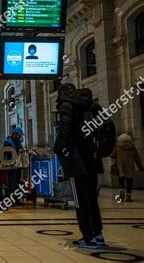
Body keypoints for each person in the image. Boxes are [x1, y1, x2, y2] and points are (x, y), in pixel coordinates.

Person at [53, 83, 105, 249]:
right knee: (92, 199)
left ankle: (88, 238)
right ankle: (98, 235)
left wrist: (58, 148)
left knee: (80, 201)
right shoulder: (91, 104)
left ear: (62, 94)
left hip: (77, 161)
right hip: (92, 159)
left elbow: (65, 130)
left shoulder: (67, 105)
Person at [110, 133, 143, 202]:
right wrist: (140, 167)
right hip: (130, 167)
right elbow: (137, 158)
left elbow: (112, 155)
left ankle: (122, 193)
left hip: (120, 167)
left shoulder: (117, 146)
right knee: (129, 182)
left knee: (121, 180)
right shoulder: (132, 147)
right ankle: (128, 196)